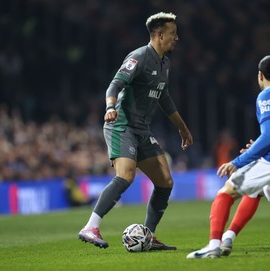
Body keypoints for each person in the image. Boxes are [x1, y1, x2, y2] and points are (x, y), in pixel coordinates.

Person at [78, 12, 193, 250]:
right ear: (159, 34)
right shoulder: (139, 57)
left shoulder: (165, 63)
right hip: (121, 124)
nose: (177, 38)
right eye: (173, 33)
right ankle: (90, 226)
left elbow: (164, 97)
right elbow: (115, 84)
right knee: (126, 175)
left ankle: (148, 237)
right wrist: (110, 107)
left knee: (165, 181)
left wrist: (182, 128)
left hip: (142, 128)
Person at [187, 54, 270, 259]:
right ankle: (229, 237)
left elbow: (269, 136)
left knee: (226, 192)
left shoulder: (267, 94)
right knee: (254, 191)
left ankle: (213, 246)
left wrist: (236, 163)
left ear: (260, 75)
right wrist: (259, 149)